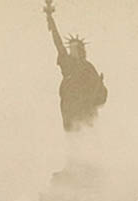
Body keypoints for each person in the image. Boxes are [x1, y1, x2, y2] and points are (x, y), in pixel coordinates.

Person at [45, 1, 107, 131]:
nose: (72, 50)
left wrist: (100, 84)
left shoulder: (88, 67)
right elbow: (58, 43)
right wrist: (50, 20)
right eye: (71, 48)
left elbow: (99, 91)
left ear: (81, 50)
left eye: (75, 48)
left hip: (85, 108)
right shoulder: (67, 62)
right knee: (73, 136)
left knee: (88, 135)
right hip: (70, 107)